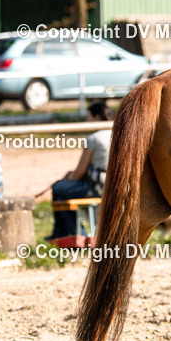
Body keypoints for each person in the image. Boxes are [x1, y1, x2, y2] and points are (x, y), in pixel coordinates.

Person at [48, 102, 111, 240]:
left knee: (58, 188)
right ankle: (70, 233)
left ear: (97, 117)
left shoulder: (93, 138)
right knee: (62, 195)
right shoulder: (117, 134)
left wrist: (67, 179)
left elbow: (79, 172)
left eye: (88, 117)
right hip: (112, 185)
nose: (86, 121)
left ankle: (70, 233)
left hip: (94, 187)